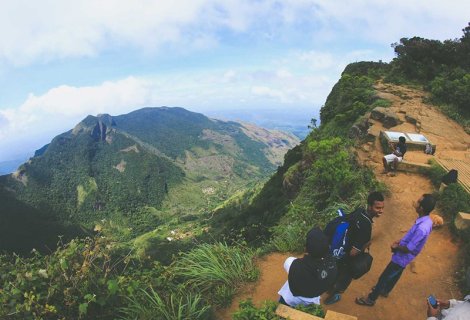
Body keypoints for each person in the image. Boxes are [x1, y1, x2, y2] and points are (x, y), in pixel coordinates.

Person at [356, 194, 436, 307]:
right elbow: (412, 239)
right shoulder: (426, 221)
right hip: (405, 257)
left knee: (384, 276)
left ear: (421, 208)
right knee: (396, 273)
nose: (416, 203)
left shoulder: (422, 228)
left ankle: (371, 299)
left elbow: (409, 248)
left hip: (403, 256)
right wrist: (401, 241)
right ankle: (385, 290)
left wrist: (396, 246)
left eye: (418, 202)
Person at [323, 191, 385, 305]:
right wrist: (365, 246)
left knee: (334, 272)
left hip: (339, 251)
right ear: (370, 206)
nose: (381, 211)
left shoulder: (359, 211)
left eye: (382, 208)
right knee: (344, 278)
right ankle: (335, 295)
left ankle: (329, 287)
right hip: (347, 258)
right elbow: (353, 253)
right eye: (377, 208)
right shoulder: (366, 226)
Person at [278, 227, 337, 307]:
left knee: (282, 308)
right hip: (310, 303)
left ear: (306, 249)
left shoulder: (292, 262)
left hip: (289, 299)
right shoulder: (333, 267)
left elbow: (288, 264)